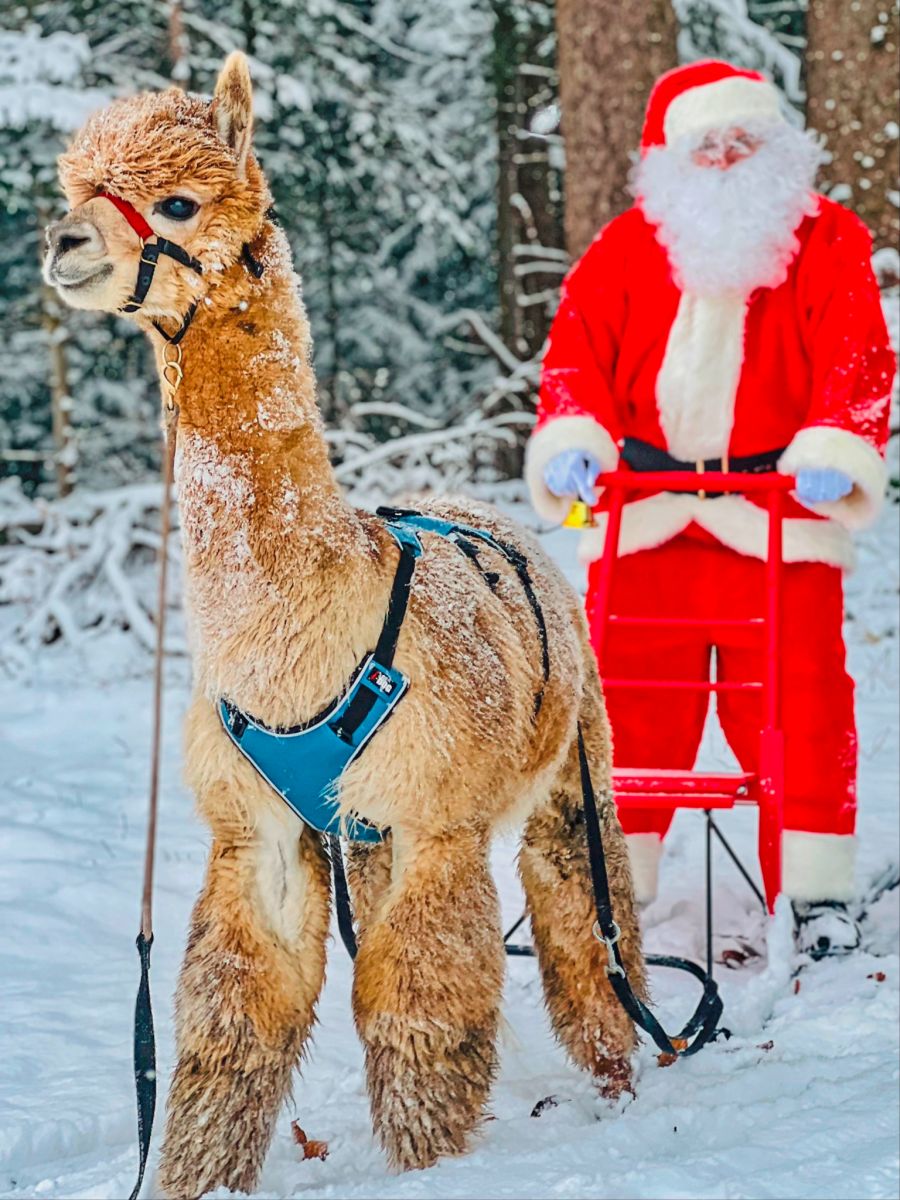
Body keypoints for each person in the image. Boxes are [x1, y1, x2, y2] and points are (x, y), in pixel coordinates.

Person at [524, 59, 895, 958]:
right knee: (620, 709)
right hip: (646, 511)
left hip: (777, 516)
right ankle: (609, 882)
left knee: (798, 707)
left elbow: (859, 358)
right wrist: (574, 436)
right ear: (668, 156)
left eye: (746, 139)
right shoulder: (624, 248)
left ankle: (812, 893)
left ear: (777, 148)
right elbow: (575, 355)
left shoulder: (828, 242)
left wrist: (832, 448)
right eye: (708, 142)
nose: (727, 157)